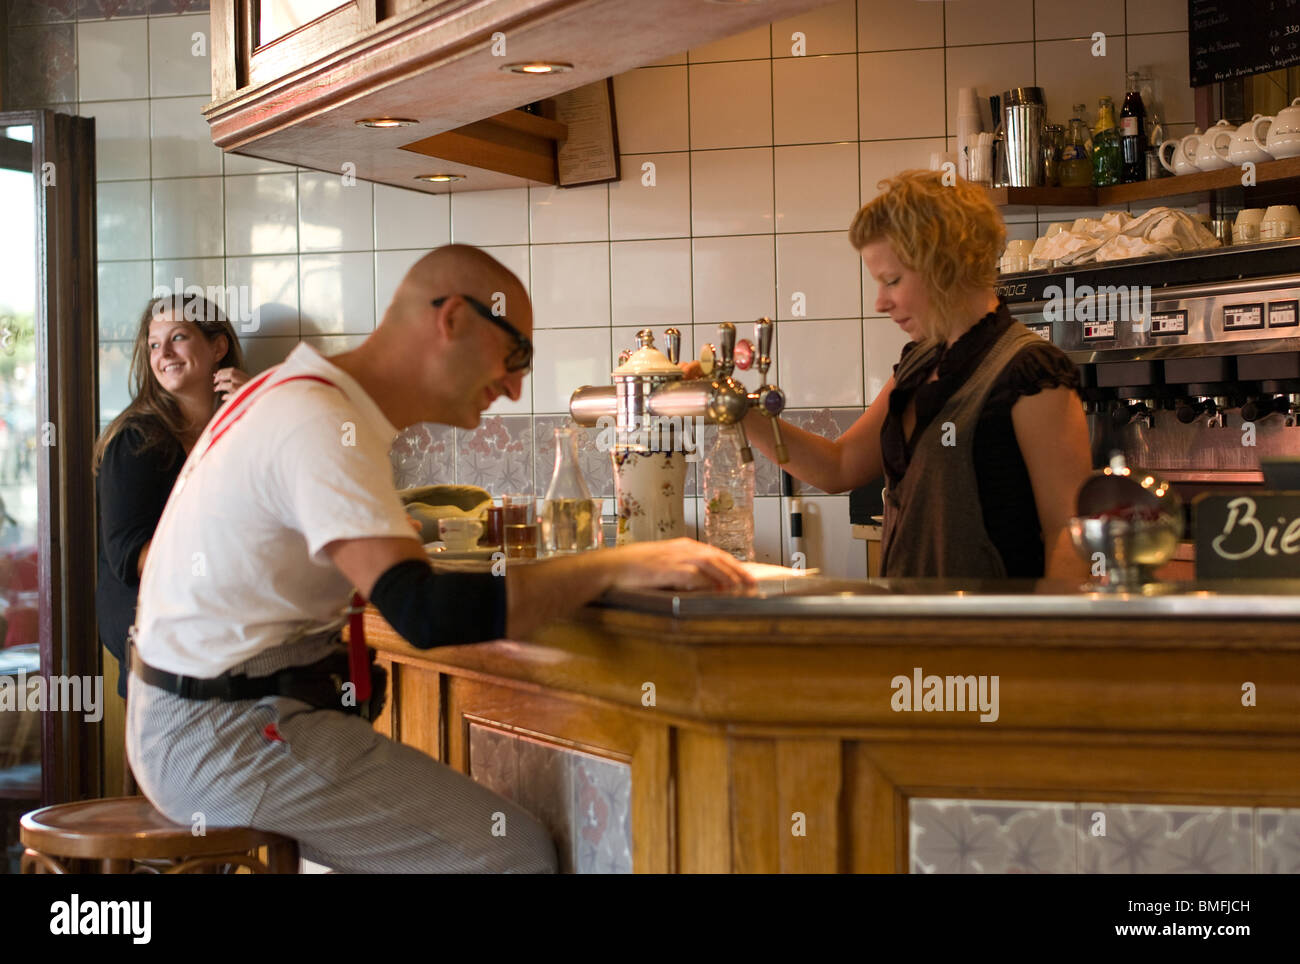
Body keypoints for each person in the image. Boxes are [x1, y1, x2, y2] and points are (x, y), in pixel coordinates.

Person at [126, 244, 754, 874]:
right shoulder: (318, 419)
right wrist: (621, 563)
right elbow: (427, 612)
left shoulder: (299, 392)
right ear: (452, 319)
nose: (513, 387)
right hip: (220, 736)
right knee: (510, 853)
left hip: (203, 718)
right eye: (516, 357)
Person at [726, 170, 1092, 580]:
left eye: (892, 281)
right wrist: (736, 409)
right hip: (914, 633)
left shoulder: (1030, 371)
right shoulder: (919, 364)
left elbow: (1070, 532)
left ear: (946, 263)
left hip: (992, 638)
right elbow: (838, 466)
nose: (880, 302)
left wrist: (1043, 641)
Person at [94, 294, 248, 699]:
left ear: (218, 347)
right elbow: (131, 557)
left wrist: (260, 408)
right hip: (159, 646)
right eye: (154, 344)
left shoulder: (237, 426)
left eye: (178, 337)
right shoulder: (136, 440)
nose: (164, 353)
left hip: (215, 625)